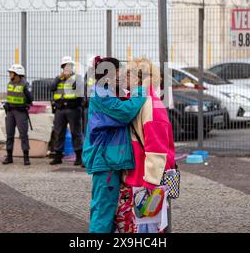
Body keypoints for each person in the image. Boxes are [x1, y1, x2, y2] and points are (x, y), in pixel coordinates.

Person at [82, 56, 148, 233]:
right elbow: (124, 112)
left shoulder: (106, 91)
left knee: (108, 209)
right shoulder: (102, 94)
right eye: (120, 71)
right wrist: (141, 91)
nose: (122, 75)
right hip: (105, 159)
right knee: (104, 209)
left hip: (108, 158)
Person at [117, 57, 176, 233]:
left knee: (146, 230)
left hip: (145, 184)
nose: (123, 78)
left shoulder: (150, 105)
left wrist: (150, 185)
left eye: (128, 74)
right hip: (138, 181)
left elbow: (157, 150)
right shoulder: (139, 102)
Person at [49, 56, 84, 166]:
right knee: (59, 132)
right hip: (60, 109)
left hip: (73, 109)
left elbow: (80, 93)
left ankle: (79, 157)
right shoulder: (58, 79)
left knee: (76, 133)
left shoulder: (77, 78)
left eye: (69, 66)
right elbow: (52, 88)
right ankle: (58, 156)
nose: (67, 68)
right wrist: (58, 78)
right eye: (65, 66)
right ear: (62, 67)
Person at [2, 64, 33, 166]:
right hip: (10, 112)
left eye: (12, 73)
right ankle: (9, 156)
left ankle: (26, 157)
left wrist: (26, 105)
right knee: (9, 134)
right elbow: (10, 97)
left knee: (23, 134)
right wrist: (7, 104)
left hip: (20, 112)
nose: (10, 75)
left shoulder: (25, 85)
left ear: (18, 74)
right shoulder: (9, 83)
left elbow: (30, 98)